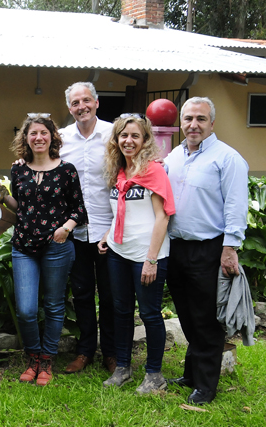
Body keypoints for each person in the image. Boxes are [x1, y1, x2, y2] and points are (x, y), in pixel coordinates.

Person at [164, 97, 249, 405]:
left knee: (205, 319)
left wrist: (230, 248)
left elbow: (236, 205)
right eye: (188, 118)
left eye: (200, 119)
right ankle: (191, 372)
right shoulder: (174, 155)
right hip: (176, 248)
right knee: (186, 314)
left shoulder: (228, 158)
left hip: (208, 249)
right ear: (181, 122)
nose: (193, 124)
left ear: (212, 123)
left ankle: (206, 385)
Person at [3, 114, 87, 386]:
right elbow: (21, 206)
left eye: (43, 132)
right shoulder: (18, 170)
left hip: (56, 246)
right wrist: (1, 196)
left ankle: (47, 360)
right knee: (26, 309)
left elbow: (79, 209)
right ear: (25, 138)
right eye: (33, 133)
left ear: (52, 136)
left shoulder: (67, 170)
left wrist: (66, 227)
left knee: (53, 305)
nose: (38, 137)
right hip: (24, 246)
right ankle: (32, 357)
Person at [97, 114, 175, 394]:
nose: (128, 141)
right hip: (118, 252)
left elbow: (162, 218)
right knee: (121, 311)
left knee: (151, 314)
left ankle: (154, 375)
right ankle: (123, 369)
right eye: (123, 136)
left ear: (145, 140)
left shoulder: (153, 171)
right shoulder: (119, 171)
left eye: (135, 136)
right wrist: (108, 235)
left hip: (147, 254)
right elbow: (123, 211)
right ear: (116, 140)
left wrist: (151, 259)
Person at [59, 82, 117, 374]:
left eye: (85, 100)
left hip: (109, 230)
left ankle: (111, 352)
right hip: (75, 230)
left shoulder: (112, 134)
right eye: (74, 103)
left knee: (109, 295)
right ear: (69, 108)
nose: (81, 106)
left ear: (96, 102)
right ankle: (84, 351)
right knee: (81, 293)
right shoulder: (61, 138)